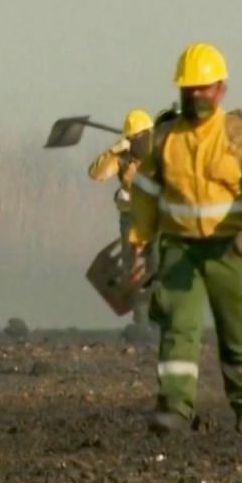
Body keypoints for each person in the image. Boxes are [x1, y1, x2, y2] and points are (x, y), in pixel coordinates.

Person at [129, 43, 242, 435]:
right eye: (189, 89)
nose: (196, 95)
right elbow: (144, 191)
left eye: (203, 88)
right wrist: (139, 240)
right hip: (179, 250)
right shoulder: (165, 139)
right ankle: (174, 409)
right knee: (178, 327)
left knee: (237, 332)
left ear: (221, 90)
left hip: (231, 251)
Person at [89, 108, 156, 324]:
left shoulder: (161, 153)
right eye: (132, 138)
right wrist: (113, 151)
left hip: (158, 219)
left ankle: (163, 321)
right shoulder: (123, 159)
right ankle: (142, 324)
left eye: (138, 137)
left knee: (160, 268)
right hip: (132, 219)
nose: (136, 142)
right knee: (136, 273)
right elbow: (96, 174)